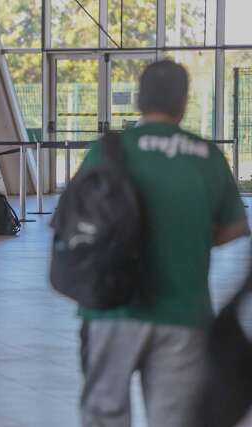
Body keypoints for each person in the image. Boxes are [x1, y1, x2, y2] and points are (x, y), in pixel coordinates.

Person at [77, 60, 249, 427]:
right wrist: (192, 238)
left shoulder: (110, 149)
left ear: (139, 100)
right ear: (183, 102)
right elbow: (235, 227)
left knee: (104, 417)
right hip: (184, 312)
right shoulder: (207, 156)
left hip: (112, 307)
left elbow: (78, 218)